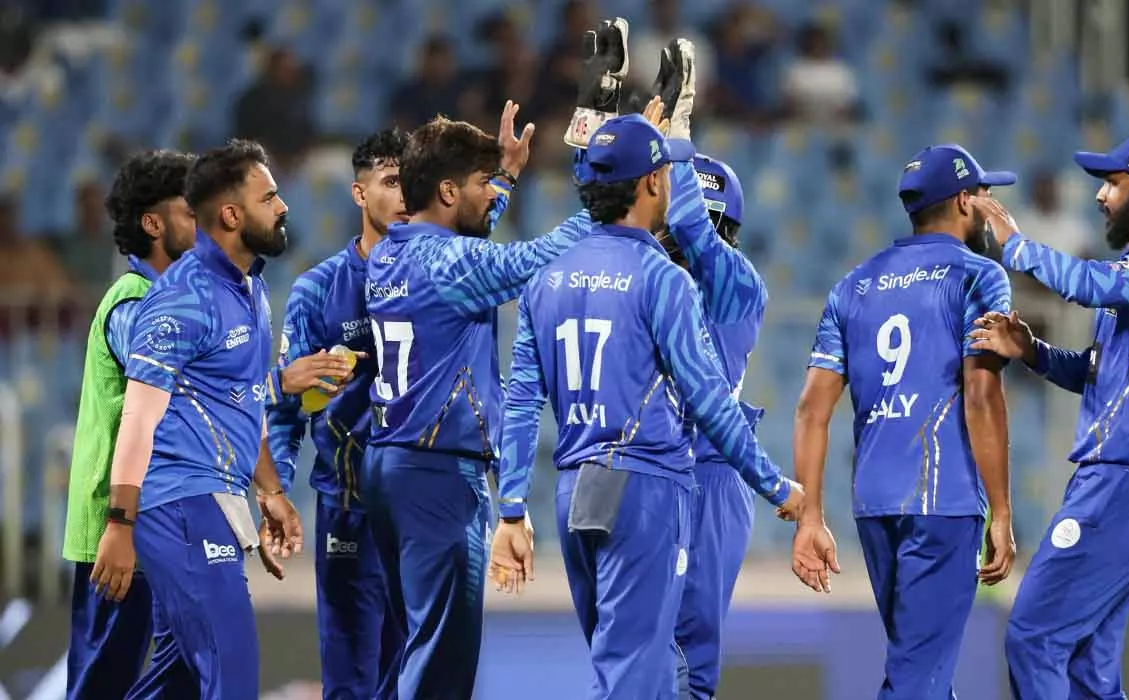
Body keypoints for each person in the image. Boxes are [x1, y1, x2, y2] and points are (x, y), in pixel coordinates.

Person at [490, 109, 803, 700]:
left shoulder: (553, 277)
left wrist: (511, 506)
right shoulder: (661, 279)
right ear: (654, 184)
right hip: (652, 479)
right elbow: (707, 398)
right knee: (642, 670)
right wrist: (774, 485)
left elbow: (523, 398)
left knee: (644, 666)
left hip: (594, 483)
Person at [360, 101, 590, 699]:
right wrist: (609, 196)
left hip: (390, 467)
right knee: (442, 663)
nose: (492, 195)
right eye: (482, 183)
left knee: (414, 648)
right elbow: (536, 260)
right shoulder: (450, 262)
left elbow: (467, 244)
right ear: (446, 190)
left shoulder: (389, 253)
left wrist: (504, 178)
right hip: (439, 478)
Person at [968, 132, 1129, 699]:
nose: (1100, 195)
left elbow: (1088, 284)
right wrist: (1033, 352)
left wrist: (1016, 246)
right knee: (1087, 667)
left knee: (1034, 636)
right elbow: (1096, 373)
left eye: (1112, 183)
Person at [791, 144, 1018, 699]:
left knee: (923, 666)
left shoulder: (853, 286)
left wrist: (810, 516)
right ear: (963, 202)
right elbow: (981, 395)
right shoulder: (979, 276)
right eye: (984, 193)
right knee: (918, 679)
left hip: (874, 503)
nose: (991, 204)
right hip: (943, 501)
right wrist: (1002, 511)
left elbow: (812, 409)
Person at [88, 139, 305, 699]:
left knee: (179, 680)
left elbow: (245, 399)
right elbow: (138, 418)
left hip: (213, 498)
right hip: (180, 504)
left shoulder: (253, 289)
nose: (282, 207)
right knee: (231, 672)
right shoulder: (180, 298)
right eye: (269, 198)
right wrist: (119, 524)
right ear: (231, 215)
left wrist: (270, 491)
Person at [264, 128, 428, 699]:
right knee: (351, 682)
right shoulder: (318, 290)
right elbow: (287, 408)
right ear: (359, 194)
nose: (404, 195)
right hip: (348, 509)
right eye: (390, 181)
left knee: (417, 680)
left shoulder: (437, 279)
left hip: (422, 511)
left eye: (412, 183)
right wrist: (275, 489)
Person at [639, 37, 769, 700]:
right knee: (639, 645)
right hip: (651, 466)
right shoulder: (647, 276)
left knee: (691, 651)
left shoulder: (738, 286)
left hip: (711, 474)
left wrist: (675, 142)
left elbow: (695, 233)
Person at [62, 149, 195, 700]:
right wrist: (121, 525)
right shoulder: (132, 302)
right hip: (117, 527)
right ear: (153, 224)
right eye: (189, 210)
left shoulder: (171, 301)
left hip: (153, 520)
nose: (204, 221)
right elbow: (171, 393)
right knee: (104, 683)